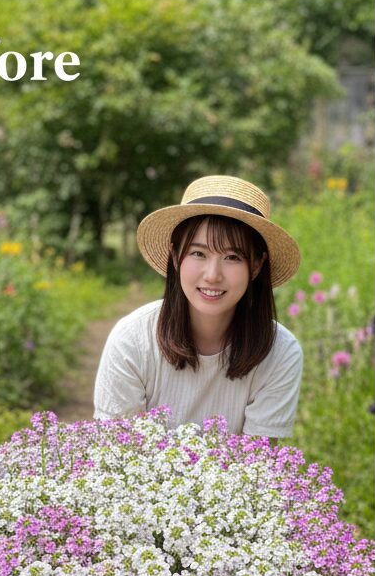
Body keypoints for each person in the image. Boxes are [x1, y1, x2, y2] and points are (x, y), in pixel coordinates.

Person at [94, 175, 303, 437]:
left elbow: (258, 458)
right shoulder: (132, 340)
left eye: (232, 257)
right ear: (175, 256)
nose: (212, 275)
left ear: (256, 265)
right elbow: (116, 450)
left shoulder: (280, 352)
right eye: (198, 253)